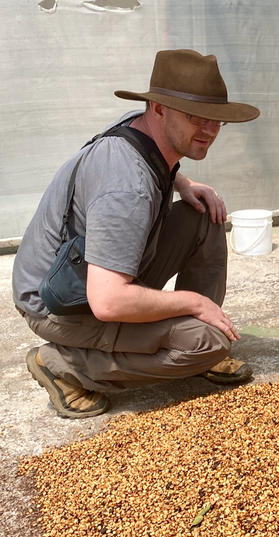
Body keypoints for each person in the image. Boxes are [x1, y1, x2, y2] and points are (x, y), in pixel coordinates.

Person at [13, 48, 260, 419]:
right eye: (197, 117)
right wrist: (194, 302)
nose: (210, 130)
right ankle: (61, 364)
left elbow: (154, 158)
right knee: (208, 344)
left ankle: (196, 336)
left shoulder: (141, 126)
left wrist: (184, 183)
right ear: (159, 109)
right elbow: (108, 302)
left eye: (217, 119)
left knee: (202, 215)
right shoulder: (127, 189)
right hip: (60, 302)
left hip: (92, 273)